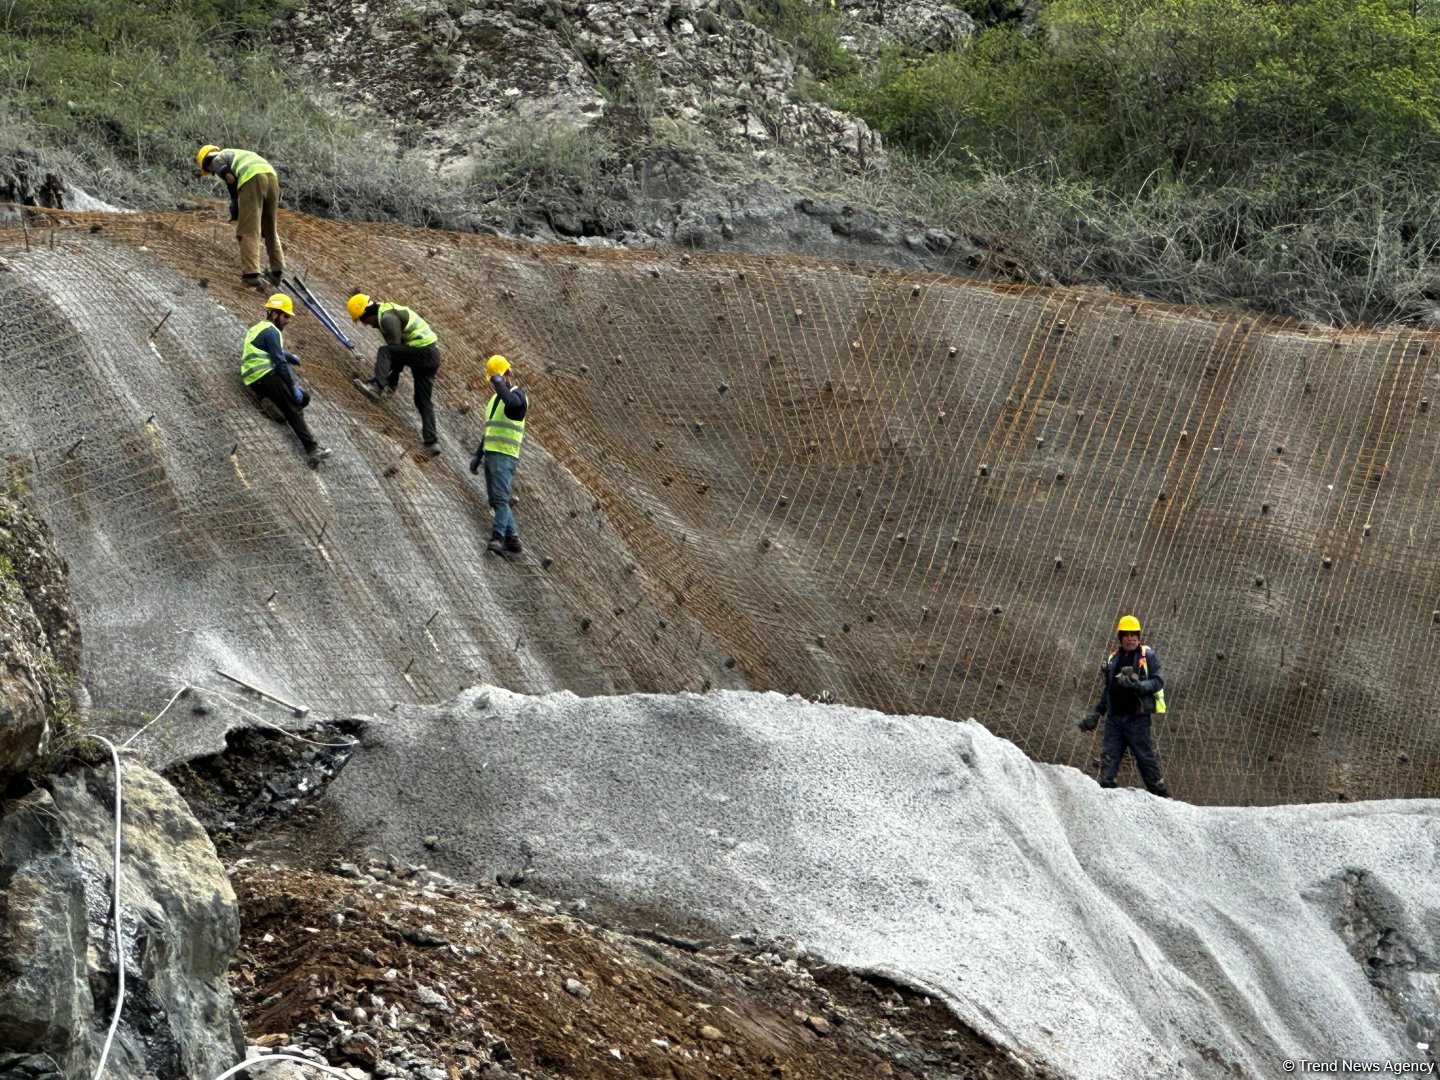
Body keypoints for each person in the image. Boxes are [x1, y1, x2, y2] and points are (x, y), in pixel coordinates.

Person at [1079, 615, 1171, 797]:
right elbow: (1109, 689)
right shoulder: (1114, 658)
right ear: (1120, 637)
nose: (1130, 638)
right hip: (1114, 719)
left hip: (1137, 718)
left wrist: (1138, 685)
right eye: (1126, 635)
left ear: (1139, 636)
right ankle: (1107, 795)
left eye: (1133, 634)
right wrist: (1097, 712)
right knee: (1108, 758)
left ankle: (1161, 796)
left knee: (1145, 758)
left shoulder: (1147, 656)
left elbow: (1158, 681)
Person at [241, 294, 331, 468]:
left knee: (304, 398)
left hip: (251, 378)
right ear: (275, 314)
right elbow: (279, 363)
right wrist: (292, 385)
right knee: (294, 407)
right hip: (265, 374)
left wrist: (288, 355)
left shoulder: (259, 327)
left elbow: (265, 349)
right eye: (286, 316)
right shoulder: (272, 331)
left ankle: (273, 405)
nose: (288, 320)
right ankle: (313, 450)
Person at [346, 294, 442, 455]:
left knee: (385, 351)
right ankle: (432, 442)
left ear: (367, 313)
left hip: (423, 351)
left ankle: (376, 388)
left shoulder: (387, 319)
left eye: (362, 319)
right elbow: (399, 355)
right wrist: (392, 380)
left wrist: (390, 382)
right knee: (422, 400)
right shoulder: (386, 313)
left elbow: (395, 355)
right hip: (431, 355)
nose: (364, 324)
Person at [196, 145, 285, 289]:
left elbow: (230, 178)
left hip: (252, 179)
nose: (212, 173)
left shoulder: (215, 159)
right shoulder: (237, 153)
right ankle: (277, 271)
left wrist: (235, 201)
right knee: (270, 228)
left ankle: (251, 275)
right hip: (271, 177)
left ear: (206, 161)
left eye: (209, 171)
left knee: (248, 229)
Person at [469, 355, 528, 554]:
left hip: (505, 455)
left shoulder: (518, 395)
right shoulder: (495, 399)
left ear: (508, 374)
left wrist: (499, 383)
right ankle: (512, 539)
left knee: (501, 499)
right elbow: (490, 430)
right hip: (492, 454)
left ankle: (498, 537)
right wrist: (478, 455)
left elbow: (512, 403)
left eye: (500, 377)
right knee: (495, 499)